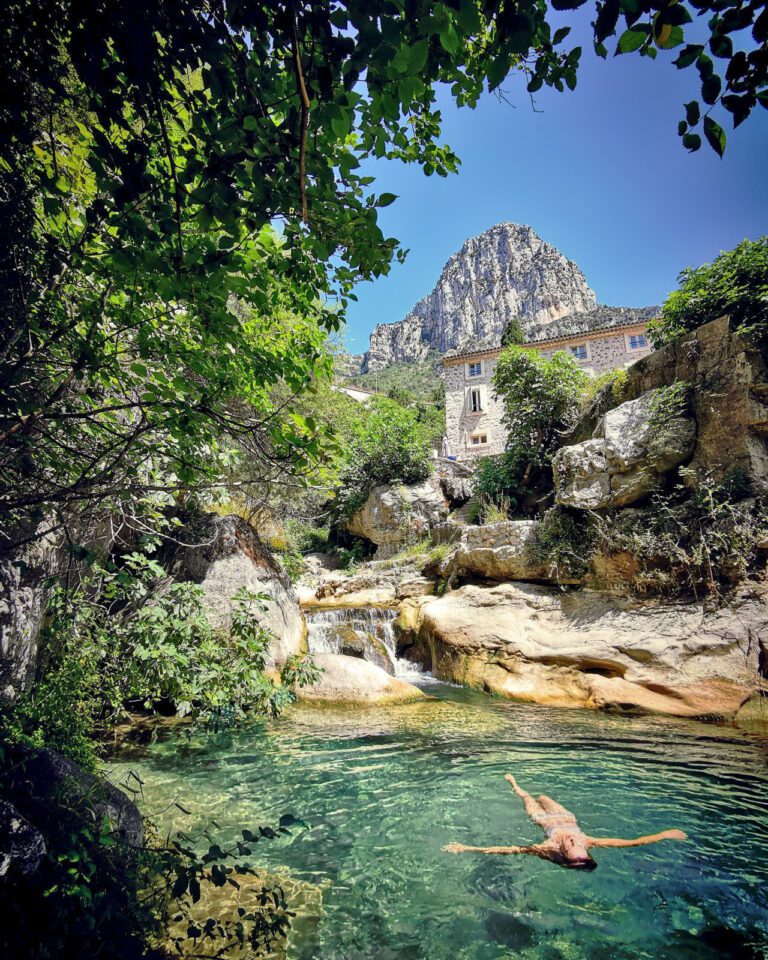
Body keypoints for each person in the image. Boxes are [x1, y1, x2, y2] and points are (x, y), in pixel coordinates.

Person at [443, 774, 687, 870]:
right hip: (566, 815)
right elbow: (633, 842)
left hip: (542, 820)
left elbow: (511, 849)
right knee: (544, 796)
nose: (572, 839)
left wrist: (467, 848)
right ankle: (528, 789)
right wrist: (663, 835)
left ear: (562, 851)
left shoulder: (548, 847)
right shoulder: (590, 841)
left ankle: (514, 784)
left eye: (570, 845)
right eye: (576, 842)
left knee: (529, 797)